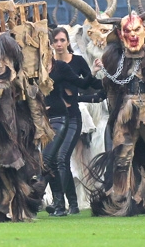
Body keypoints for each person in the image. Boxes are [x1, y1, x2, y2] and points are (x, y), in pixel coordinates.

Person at [43, 26, 102, 216]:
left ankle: (68, 203)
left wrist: (101, 78)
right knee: (56, 160)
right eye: (55, 41)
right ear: (51, 44)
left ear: (68, 41)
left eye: (62, 40)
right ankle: (66, 203)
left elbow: (88, 84)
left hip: (73, 117)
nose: (59, 44)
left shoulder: (76, 61)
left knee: (60, 158)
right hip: (52, 117)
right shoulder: (46, 65)